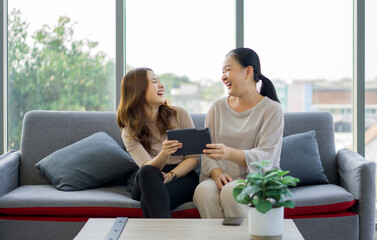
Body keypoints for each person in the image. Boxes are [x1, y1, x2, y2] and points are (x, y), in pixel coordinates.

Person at [193, 48, 284, 218]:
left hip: (259, 180)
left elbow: (267, 157)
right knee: (203, 192)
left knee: (231, 192)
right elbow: (206, 151)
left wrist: (227, 152)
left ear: (248, 71)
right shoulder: (217, 107)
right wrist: (217, 173)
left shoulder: (272, 110)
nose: (223, 76)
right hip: (222, 177)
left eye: (228, 69)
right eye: (222, 71)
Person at [116, 67, 199, 218]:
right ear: (138, 90)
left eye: (159, 81)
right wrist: (165, 153)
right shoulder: (129, 130)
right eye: (154, 81)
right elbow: (147, 166)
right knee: (147, 173)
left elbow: (193, 158)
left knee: (149, 199)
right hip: (149, 175)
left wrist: (171, 175)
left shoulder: (179, 114)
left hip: (180, 175)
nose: (161, 85)